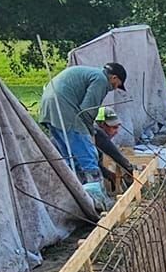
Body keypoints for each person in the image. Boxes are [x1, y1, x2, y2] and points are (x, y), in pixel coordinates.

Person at [39, 62, 134, 192]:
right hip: (65, 110)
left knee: (71, 160)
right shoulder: (101, 79)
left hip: (48, 109)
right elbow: (87, 111)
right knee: (89, 159)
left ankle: (79, 196)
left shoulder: (88, 73)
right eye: (118, 85)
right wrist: (90, 133)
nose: (115, 88)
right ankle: (96, 198)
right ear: (114, 78)